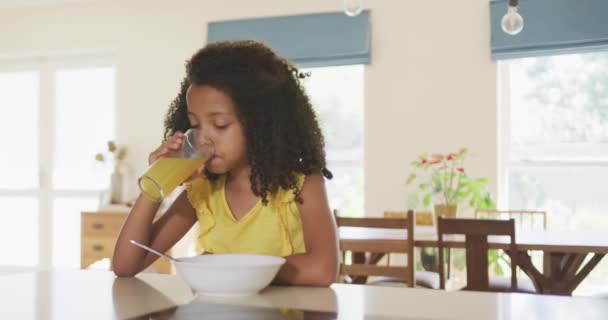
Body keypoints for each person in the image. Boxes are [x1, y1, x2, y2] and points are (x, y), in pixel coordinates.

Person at [112, 40, 338, 286]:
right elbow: (126, 265)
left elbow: (322, 270)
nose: (203, 137)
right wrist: (155, 184)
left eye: (220, 125)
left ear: (260, 124)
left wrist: (229, 267)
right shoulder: (202, 192)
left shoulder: (302, 185)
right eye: (195, 125)